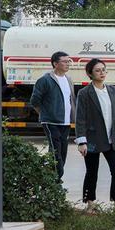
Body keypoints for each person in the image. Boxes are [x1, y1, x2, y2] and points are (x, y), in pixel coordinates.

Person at [74, 59, 115, 211]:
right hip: (92, 139)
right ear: (90, 74)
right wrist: (81, 141)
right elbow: (80, 118)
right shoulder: (84, 93)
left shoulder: (112, 90)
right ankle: (90, 202)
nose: (102, 73)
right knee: (92, 172)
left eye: (104, 69)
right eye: (98, 70)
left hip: (112, 138)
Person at [30, 51, 76, 182]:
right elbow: (34, 101)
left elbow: (71, 99)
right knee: (56, 150)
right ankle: (56, 180)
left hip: (65, 122)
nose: (68, 64)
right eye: (64, 61)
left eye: (69, 61)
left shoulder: (68, 79)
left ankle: (52, 178)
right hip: (51, 122)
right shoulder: (45, 80)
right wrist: (45, 114)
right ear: (55, 63)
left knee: (63, 152)